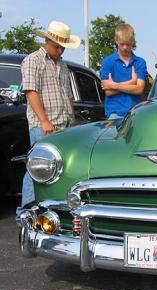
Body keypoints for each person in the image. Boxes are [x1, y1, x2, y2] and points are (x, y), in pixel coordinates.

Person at [17, 20, 81, 215]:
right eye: (57, 47)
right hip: (43, 125)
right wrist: (45, 121)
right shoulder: (33, 60)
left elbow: (67, 94)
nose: (60, 51)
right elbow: (31, 92)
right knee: (37, 167)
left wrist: (72, 116)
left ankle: (54, 207)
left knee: (60, 168)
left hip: (63, 124)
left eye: (63, 48)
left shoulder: (62, 65)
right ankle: (27, 210)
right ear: (47, 40)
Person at [101, 23, 148, 119]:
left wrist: (114, 85)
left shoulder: (140, 62)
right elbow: (108, 92)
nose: (125, 47)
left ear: (133, 42)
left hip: (135, 113)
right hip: (114, 114)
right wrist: (132, 82)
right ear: (116, 41)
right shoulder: (107, 62)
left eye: (128, 44)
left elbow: (139, 89)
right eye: (122, 44)